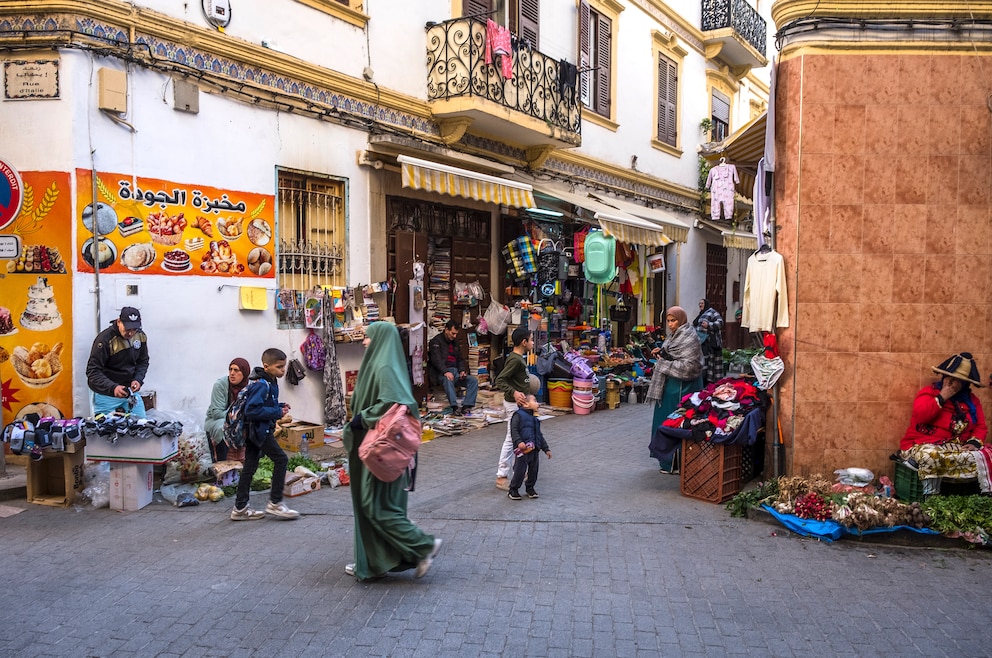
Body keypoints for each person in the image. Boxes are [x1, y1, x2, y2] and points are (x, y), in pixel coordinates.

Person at [342, 322, 442, 581]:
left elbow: (395, 401)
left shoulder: (385, 366)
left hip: (381, 449)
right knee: (371, 505)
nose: (364, 342)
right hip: (372, 447)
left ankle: (423, 545)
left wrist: (362, 418)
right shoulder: (379, 363)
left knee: (374, 505)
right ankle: (374, 561)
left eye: (367, 337)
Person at [900, 353, 992, 495]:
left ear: (965, 384)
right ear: (944, 377)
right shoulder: (928, 393)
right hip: (924, 443)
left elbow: (980, 426)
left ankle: (981, 495)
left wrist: (974, 443)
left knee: (988, 455)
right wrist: (942, 397)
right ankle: (931, 498)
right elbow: (921, 416)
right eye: (951, 378)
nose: (953, 383)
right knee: (930, 456)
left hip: (957, 446)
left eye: (959, 381)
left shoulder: (972, 401)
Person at [230, 348, 300, 521]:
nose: (283, 370)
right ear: (266, 366)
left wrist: (280, 406)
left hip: (256, 430)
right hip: (259, 431)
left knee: (250, 467)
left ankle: (240, 508)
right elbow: (253, 410)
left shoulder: (270, 381)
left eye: (284, 367)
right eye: (279, 367)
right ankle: (275, 502)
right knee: (281, 459)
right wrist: (276, 412)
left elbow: (265, 404)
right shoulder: (262, 384)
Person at [646, 306, 704, 473]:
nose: (671, 324)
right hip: (669, 387)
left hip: (683, 389)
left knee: (678, 423)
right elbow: (674, 355)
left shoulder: (689, 336)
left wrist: (664, 363)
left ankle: (677, 463)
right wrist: (663, 353)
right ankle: (666, 461)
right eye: (669, 321)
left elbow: (690, 366)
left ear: (682, 320)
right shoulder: (674, 336)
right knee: (664, 422)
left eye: (674, 320)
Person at [86, 306, 150, 418]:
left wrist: (138, 379)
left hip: (130, 392)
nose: (130, 333)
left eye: (134, 329)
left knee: (142, 426)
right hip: (106, 394)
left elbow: (143, 361)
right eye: (127, 329)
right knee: (105, 431)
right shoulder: (104, 340)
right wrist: (113, 387)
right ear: (119, 321)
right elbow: (92, 371)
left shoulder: (140, 336)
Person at [493, 326, 533, 490]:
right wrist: (515, 392)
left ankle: (519, 470)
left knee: (520, 438)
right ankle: (501, 476)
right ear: (524, 342)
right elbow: (500, 380)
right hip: (513, 405)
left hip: (521, 405)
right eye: (530, 340)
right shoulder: (515, 360)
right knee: (511, 438)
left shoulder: (519, 358)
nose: (532, 343)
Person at [427, 320, 479, 416]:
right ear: (446, 330)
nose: (454, 336)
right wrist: (445, 371)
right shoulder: (436, 342)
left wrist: (462, 370)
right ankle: (454, 407)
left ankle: (467, 406)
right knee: (448, 379)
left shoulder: (454, 342)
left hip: (455, 372)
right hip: (441, 372)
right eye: (453, 333)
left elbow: (459, 359)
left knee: (473, 381)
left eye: (456, 334)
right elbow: (436, 360)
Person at [204, 357, 251, 462]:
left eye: (236, 370)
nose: (232, 373)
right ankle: (222, 462)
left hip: (242, 419)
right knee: (224, 427)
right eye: (230, 369)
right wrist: (236, 415)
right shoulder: (220, 385)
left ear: (245, 372)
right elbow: (216, 413)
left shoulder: (250, 386)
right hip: (218, 420)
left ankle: (249, 463)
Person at [507, 394, 552, 501]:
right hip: (523, 450)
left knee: (534, 470)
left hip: (534, 449)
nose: (538, 403)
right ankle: (513, 489)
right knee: (520, 470)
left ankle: (530, 488)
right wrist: (519, 442)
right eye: (535, 401)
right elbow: (514, 430)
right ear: (526, 404)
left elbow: (539, 435)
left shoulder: (535, 419)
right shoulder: (518, 415)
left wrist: (546, 449)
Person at [693, 298, 725, 385]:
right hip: (701, 343)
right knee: (704, 362)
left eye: (702, 303)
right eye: (699, 303)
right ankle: (704, 382)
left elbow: (720, 322)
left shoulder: (712, 312)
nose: (700, 305)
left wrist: (709, 325)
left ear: (706, 304)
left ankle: (710, 382)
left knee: (709, 362)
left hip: (710, 343)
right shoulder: (701, 314)